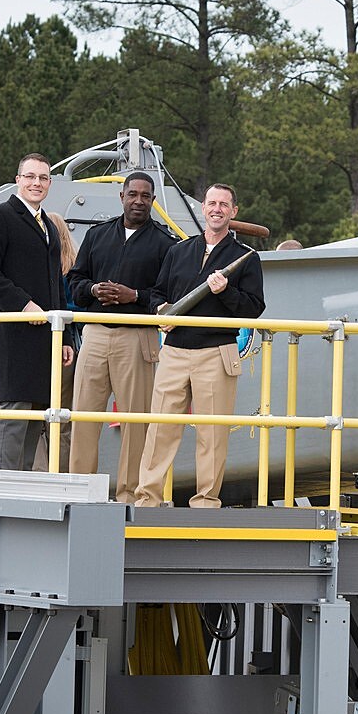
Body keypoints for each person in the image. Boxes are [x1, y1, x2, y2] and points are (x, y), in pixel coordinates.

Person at [134, 183, 264, 508]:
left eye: (224, 204)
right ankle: (147, 499)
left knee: (212, 434)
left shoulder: (246, 258)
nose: (217, 209)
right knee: (160, 428)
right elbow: (158, 293)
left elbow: (253, 308)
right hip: (174, 352)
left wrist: (225, 292)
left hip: (216, 353)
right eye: (212, 203)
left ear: (233, 211)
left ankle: (205, 502)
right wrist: (161, 310)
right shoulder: (179, 251)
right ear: (203, 208)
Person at [65, 172, 176, 499]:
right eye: (132, 194)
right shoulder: (97, 235)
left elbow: (168, 296)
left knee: (136, 423)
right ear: (122, 197)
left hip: (137, 338)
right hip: (95, 335)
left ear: (152, 200)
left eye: (145, 196)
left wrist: (135, 296)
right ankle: (81, 492)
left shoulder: (165, 244)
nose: (138, 201)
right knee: (83, 417)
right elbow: (75, 281)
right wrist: (93, 289)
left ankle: (131, 496)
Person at [0, 154, 73, 470]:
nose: (36, 183)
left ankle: (23, 493)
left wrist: (65, 336)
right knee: (12, 422)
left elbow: (55, 285)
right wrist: (23, 304)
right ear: (18, 180)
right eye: (30, 176)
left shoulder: (49, 227)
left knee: (33, 423)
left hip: (44, 343)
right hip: (12, 340)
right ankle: (2, 493)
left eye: (43, 178)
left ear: (50, 183)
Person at [32, 211, 84, 471]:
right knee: (61, 418)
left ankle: (40, 474)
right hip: (67, 348)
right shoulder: (76, 268)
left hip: (49, 346)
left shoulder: (53, 268)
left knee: (36, 417)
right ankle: (60, 474)